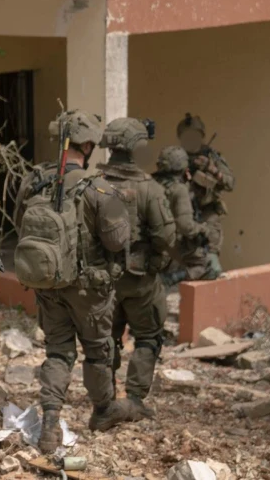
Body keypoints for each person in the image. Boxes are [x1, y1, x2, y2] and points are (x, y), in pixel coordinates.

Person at [15, 110, 131, 453]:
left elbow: (21, 224)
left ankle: (50, 421)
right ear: (90, 144)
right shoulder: (98, 188)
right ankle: (103, 410)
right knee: (97, 351)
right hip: (89, 289)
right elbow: (117, 241)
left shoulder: (34, 180)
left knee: (58, 352)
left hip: (48, 285)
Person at [97, 118, 176, 421]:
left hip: (102, 279)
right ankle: (133, 399)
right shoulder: (149, 188)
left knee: (106, 339)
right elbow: (165, 237)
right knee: (147, 337)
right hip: (140, 279)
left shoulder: (91, 184)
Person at [176, 113, 234, 276]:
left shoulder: (212, 156)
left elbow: (230, 183)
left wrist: (212, 169)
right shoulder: (175, 157)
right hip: (183, 215)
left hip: (208, 214)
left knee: (210, 259)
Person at [155, 146, 218, 285]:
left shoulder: (151, 184)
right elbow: (185, 226)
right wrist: (203, 230)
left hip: (149, 241)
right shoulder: (179, 189)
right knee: (211, 266)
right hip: (170, 245)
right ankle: (174, 278)